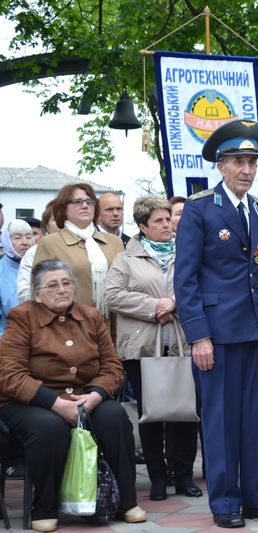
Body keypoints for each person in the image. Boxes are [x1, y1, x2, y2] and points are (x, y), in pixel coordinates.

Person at [174, 120, 258, 528]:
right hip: (218, 335)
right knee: (222, 422)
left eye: (252, 161)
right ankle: (225, 504)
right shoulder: (199, 208)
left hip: (256, 332)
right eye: (239, 161)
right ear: (221, 166)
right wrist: (199, 336)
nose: (247, 169)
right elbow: (185, 279)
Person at [0, 259, 146, 532]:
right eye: (52, 285)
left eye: (67, 283)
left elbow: (112, 366)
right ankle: (44, 507)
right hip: (30, 399)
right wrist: (54, 403)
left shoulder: (91, 316)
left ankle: (126, 502)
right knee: (49, 427)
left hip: (84, 396)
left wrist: (96, 395)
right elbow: (9, 375)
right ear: (36, 293)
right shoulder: (22, 317)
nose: (61, 289)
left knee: (114, 416)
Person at [105, 195, 201, 502]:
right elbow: (113, 296)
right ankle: (158, 477)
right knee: (151, 414)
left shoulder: (187, 251)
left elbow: (200, 287)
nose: (167, 225)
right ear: (142, 226)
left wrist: (175, 303)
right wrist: (154, 306)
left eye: (168, 219)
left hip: (185, 344)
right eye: (158, 221)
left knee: (186, 412)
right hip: (142, 349)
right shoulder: (126, 258)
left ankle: (184, 476)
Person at [32, 184, 125, 331]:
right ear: (63, 209)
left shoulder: (115, 242)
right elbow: (39, 292)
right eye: (77, 202)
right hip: (70, 328)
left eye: (89, 202)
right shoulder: (50, 243)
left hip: (114, 326)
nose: (84, 206)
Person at [17, 203, 59, 303]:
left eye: (66, 219)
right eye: (56, 220)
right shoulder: (34, 252)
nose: (62, 224)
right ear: (46, 226)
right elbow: (23, 294)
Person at [1, 220, 34, 335]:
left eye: (29, 237)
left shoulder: (43, 265)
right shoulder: (1, 270)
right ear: (6, 241)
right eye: (17, 238)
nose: (25, 242)